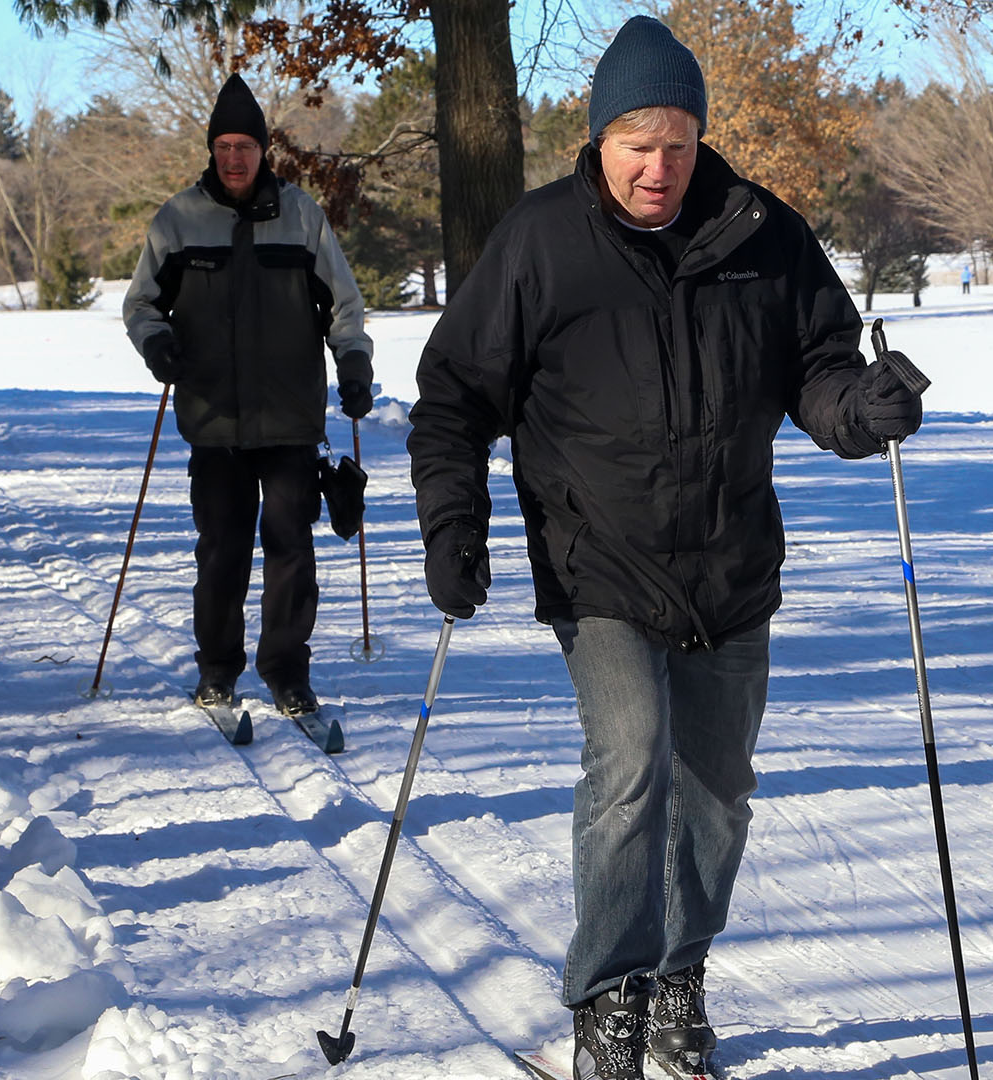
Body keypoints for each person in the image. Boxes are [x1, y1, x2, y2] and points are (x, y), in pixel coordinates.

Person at [406, 16, 926, 1080]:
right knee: (633, 763)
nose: (658, 166)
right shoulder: (542, 242)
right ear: (597, 140)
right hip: (599, 562)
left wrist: (862, 408)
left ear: (701, 141)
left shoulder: (762, 233)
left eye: (678, 143)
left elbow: (817, 367)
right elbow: (453, 399)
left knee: (719, 788)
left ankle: (679, 975)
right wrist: (452, 526)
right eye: (637, 143)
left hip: (730, 564)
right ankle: (607, 993)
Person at [122, 73, 374, 720]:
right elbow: (142, 304)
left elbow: (344, 305)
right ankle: (217, 673)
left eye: (246, 146)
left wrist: (352, 363)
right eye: (224, 145)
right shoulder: (178, 219)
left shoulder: (301, 215)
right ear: (212, 150)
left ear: (265, 151)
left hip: (291, 417)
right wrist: (157, 345)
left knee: (292, 550)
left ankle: (288, 673)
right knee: (222, 551)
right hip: (212, 418)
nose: (234, 157)